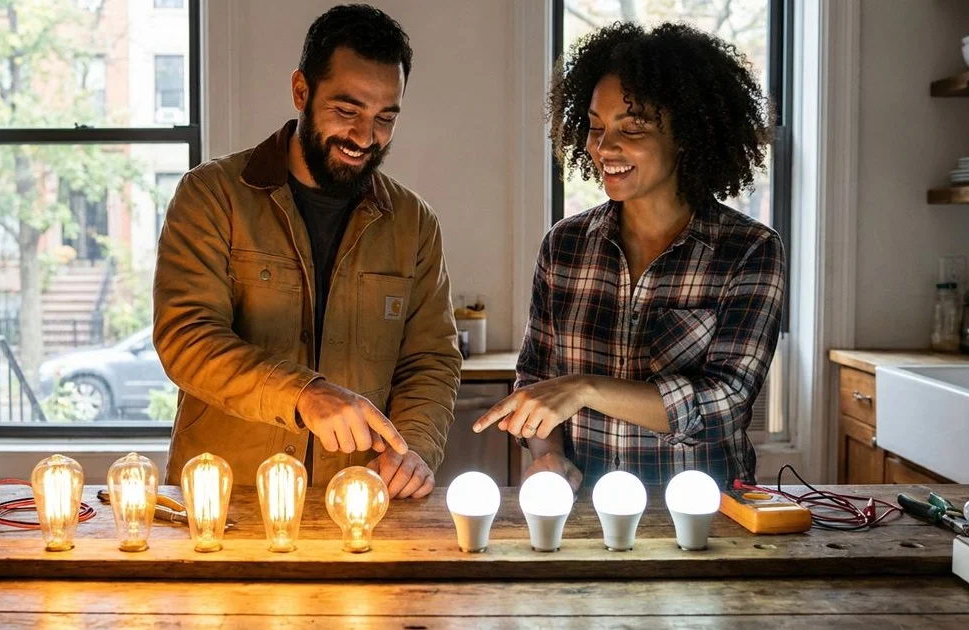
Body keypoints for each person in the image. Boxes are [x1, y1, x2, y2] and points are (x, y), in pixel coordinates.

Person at [154, 4, 460, 499]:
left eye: (385, 118)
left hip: (360, 501)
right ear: (301, 91)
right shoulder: (212, 195)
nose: (366, 137)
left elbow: (430, 359)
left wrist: (416, 446)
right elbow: (186, 340)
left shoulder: (414, 223)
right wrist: (304, 394)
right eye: (347, 111)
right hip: (228, 501)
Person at [474, 22, 785, 491]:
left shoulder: (749, 251)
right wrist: (550, 456)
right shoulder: (565, 245)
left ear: (687, 134)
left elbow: (726, 404)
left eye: (632, 128)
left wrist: (583, 389)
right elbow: (536, 379)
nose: (604, 148)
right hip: (584, 511)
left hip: (702, 520)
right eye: (596, 127)